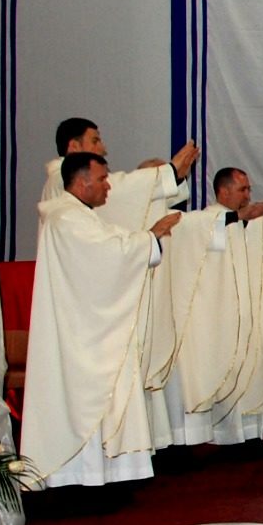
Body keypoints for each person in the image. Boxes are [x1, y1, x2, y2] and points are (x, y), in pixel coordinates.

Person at [21, 152, 181, 487]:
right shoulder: (67, 218)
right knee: (86, 401)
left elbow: (110, 248)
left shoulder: (79, 216)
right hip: (80, 333)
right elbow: (109, 255)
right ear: (82, 182)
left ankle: (103, 476)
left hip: (88, 326)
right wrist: (149, 237)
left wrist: (145, 240)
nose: (108, 186)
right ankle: (81, 478)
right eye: (103, 178)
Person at [149, 167, 263, 447]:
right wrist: (238, 219)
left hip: (252, 313)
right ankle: (228, 436)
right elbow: (196, 234)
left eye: (249, 189)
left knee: (255, 368)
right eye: (242, 189)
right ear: (223, 191)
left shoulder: (252, 221)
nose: (248, 195)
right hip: (220, 316)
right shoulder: (204, 221)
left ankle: (254, 435)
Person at [39, 117, 197, 231]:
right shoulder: (61, 177)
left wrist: (173, 177)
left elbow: (126, 201)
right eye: (95, 141)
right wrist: (169, 171)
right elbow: (117, 192)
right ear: (74, 146)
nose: (103, 149)